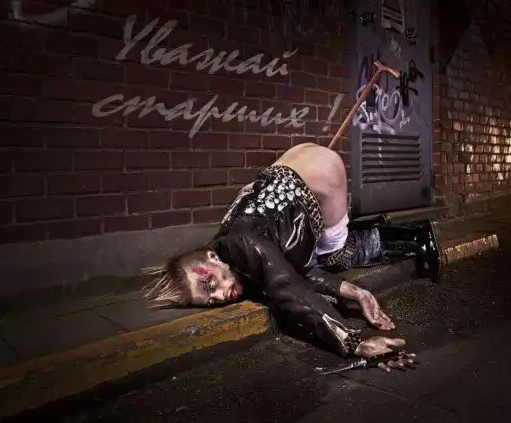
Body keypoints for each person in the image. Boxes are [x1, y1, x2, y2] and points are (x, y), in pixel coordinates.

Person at [143, 143, 441, 373]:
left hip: (320, 174)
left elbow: (287, 286)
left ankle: (415, 236)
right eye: (210, 301)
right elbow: (293, 271)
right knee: (317, 257)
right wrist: (358, 292)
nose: (220, 296)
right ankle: (385, 229)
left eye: (210, 285)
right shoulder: (230, 246)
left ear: (211, 258)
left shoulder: (242, 245)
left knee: (337, 255)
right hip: (298, 161)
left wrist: (355, 342)